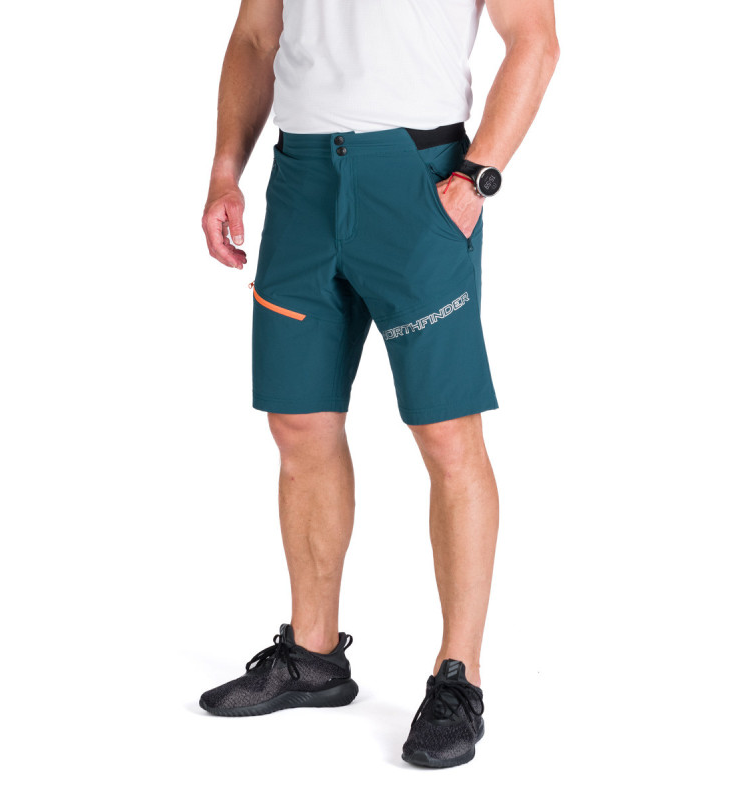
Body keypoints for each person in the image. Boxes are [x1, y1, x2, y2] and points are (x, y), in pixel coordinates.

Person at [199, 0, 558, 768]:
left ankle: (458, 679)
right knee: (298, 421)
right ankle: (313, 655)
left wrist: (475, 179)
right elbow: (256, 37)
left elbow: (535, 39)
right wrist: (226, 170)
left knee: (446, 429)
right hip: (301, 179)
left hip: (420, 179)